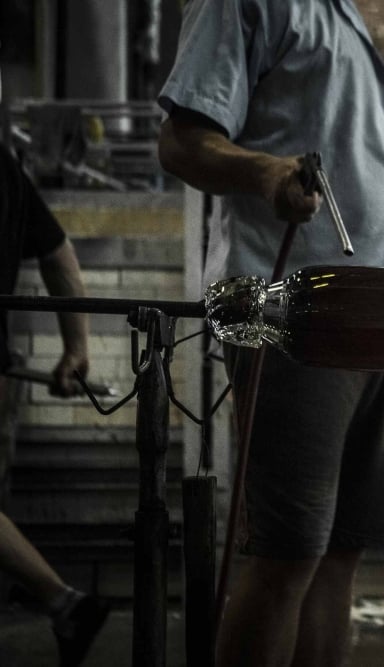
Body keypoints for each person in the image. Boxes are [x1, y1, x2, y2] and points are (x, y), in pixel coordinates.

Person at [157, 1, 384, 665]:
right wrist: (264, 172)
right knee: (287, 554)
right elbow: (182, 139)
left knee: (342, 554)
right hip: (300, 317)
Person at [0, 70, 110, 666]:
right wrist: (77, 348)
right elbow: (60, 258)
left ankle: (62, 599)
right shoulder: (5, 169)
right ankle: (63, 602)